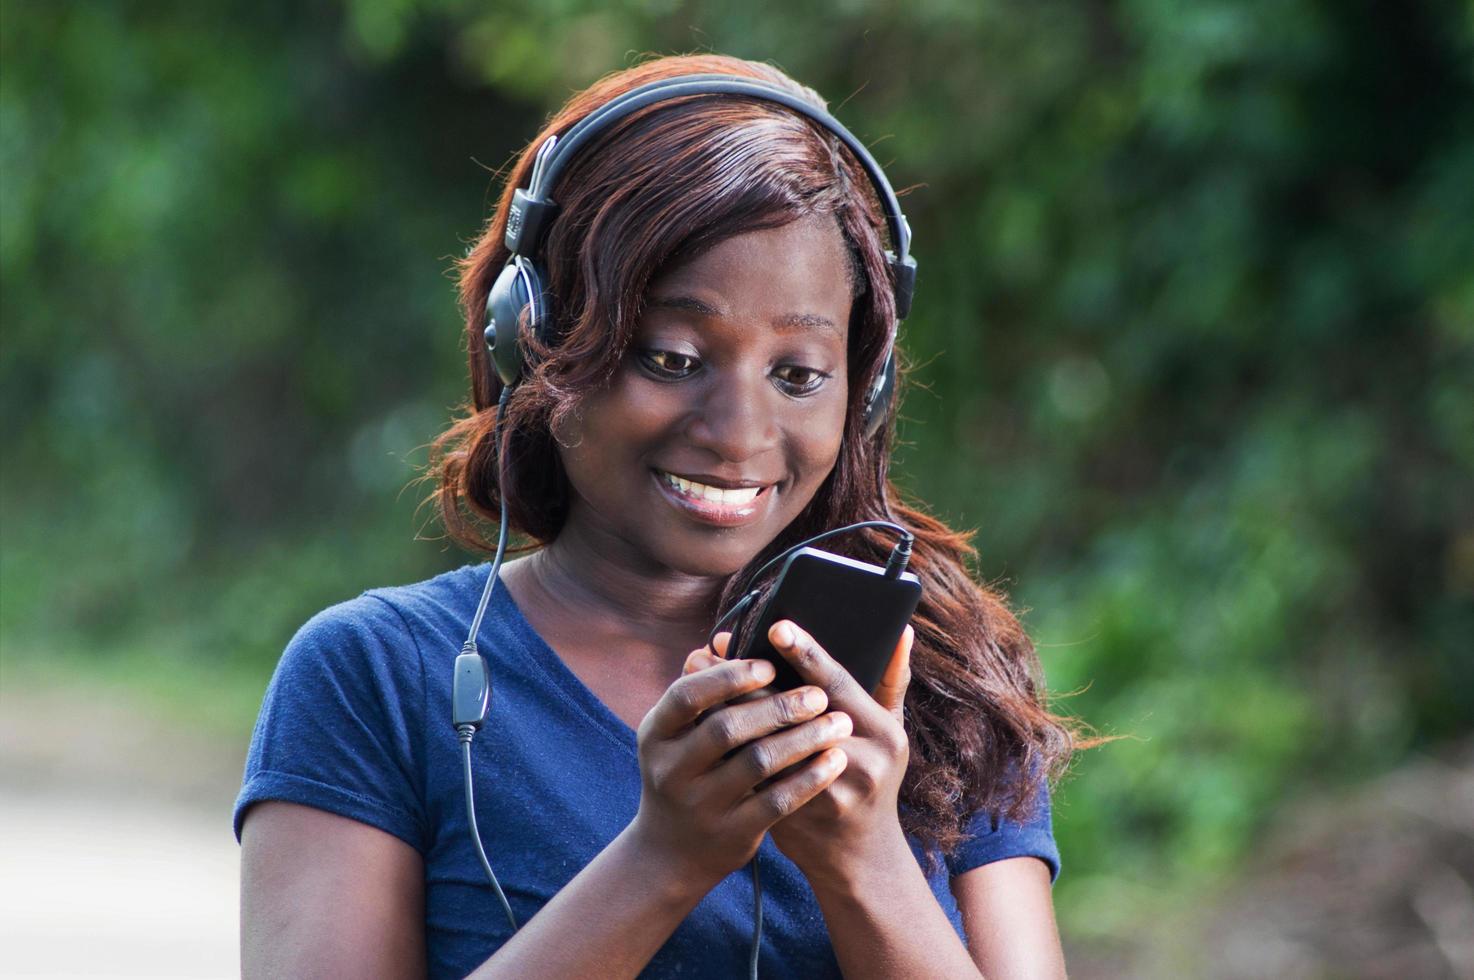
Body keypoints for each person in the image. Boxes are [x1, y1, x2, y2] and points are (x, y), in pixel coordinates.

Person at [236, 53, 1080, 979]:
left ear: (864, 391)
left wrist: (864, 863)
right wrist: (662, 860)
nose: (739, 433)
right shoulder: (372, 679)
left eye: (798, 376)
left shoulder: (945, 685)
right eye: (673, 358)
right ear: (537, 338)